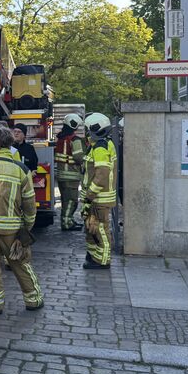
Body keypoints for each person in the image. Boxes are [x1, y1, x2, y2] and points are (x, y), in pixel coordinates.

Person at [0, 127, 44, 312]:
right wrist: (27, 227)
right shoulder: (21, 169)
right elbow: (29, 203)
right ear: (11, 143)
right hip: (11, 228)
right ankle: (33, 299)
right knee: (20, 263)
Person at [81, 113, 118, 270]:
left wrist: (89, 196)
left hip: (98, 198)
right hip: (96, 198)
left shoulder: (101, 148)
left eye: (88, 130)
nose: (87, 133)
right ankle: (93, 255)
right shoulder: (101, 144)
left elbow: (101, 175)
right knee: (92, 228)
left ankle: (103, 261)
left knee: (101, 229)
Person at [55, 113, 85, 231]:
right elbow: (79, 158)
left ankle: (70, 220)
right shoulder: (74, 139)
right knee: (71, 201)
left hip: (62, 175)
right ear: (75, 125)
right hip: (71, 176)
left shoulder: (61, 138)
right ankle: (67, 223)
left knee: (65, 200)